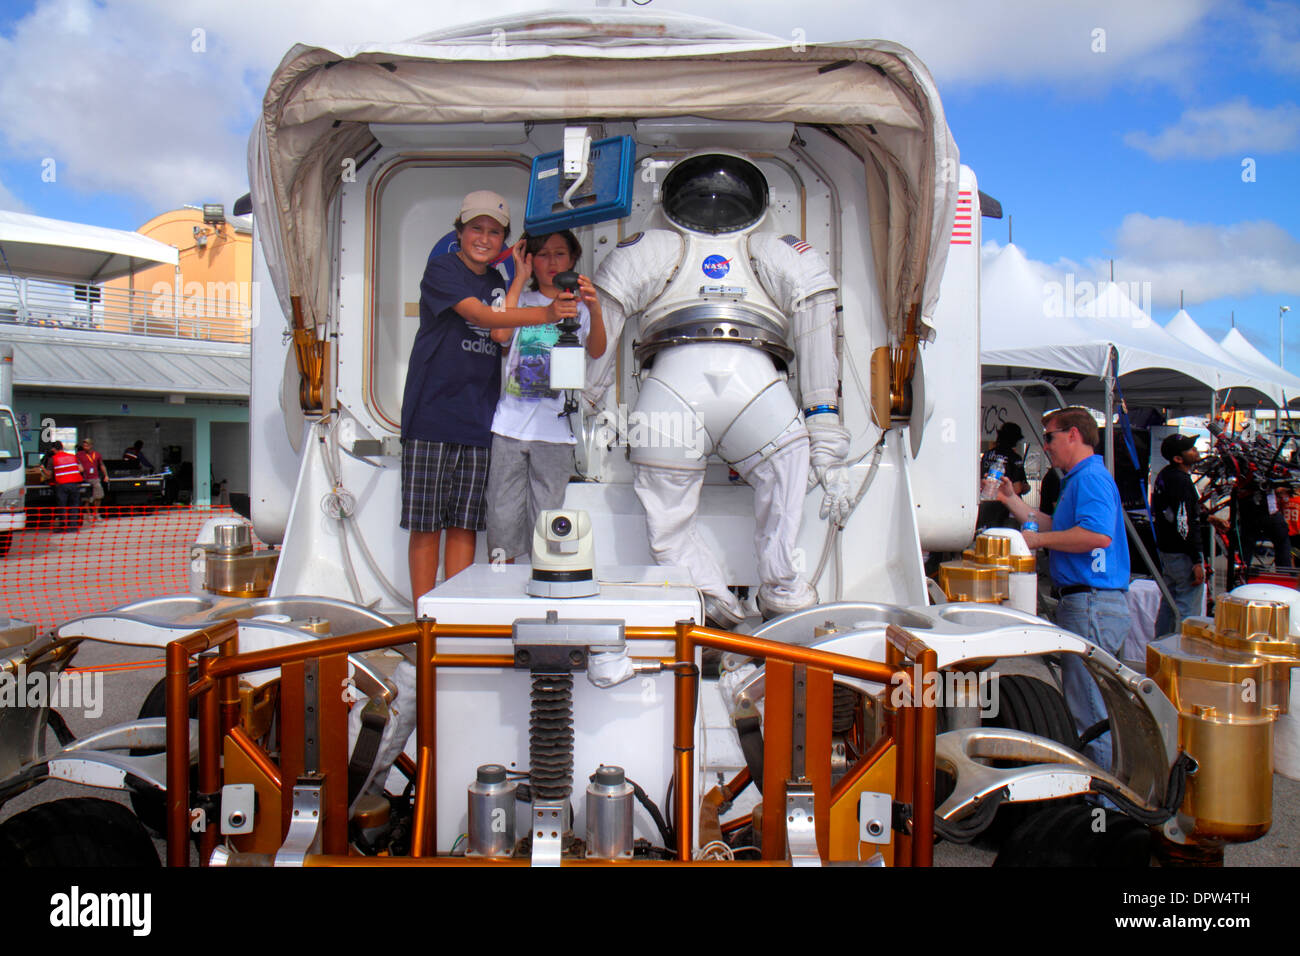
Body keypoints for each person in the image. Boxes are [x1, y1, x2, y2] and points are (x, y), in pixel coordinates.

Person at [401, 190, 578, 605]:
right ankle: (425, 620)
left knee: (465, 525)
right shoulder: (442, 270)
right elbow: (483, 318)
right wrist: (547, 314)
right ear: (459, 232)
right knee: (426, 526)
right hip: (431, 416)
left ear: (505, 242)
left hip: (481, 421)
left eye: (494, 231)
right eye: (476, 228)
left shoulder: (499, 283)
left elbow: (502, 339)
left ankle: (456, 614)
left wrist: (518, 279)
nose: (484, 237)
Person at [997, 407, 1130, 769]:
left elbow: (1096, 535)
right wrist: (1012, 500)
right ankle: (1102, 798)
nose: (1047, 446)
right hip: (1092, 602)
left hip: (1091, 603)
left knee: (1089, 708)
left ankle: (1100, 804)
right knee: (1093, 705)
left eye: (1051, 437)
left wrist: (1039, 542)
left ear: (1073, 434)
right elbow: (1057, 524)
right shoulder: (1082, 477)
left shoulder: (1089, 479)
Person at [485, 231, 606, 562]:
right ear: (529, 259)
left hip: (555, 431)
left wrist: (594, 309)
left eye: (560, 254)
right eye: (542, 255)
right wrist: (518, 280)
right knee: (501, 513)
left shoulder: (578, 308)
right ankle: (500, 583)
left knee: (548, 517)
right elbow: (500, 334)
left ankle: (543, 582)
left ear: (572, 260)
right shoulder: (520, 301)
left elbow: (597, 350)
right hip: (509, 426)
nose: (552, 262)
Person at [1151, 434, 1207, 635]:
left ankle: (1160, 647)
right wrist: (1196, 559)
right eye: (1190, 449)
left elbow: (1174, 514)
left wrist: (1207, 517)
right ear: (1178, 458)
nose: (1195, 451)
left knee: (1169, 603)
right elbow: (1183, 523)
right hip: (1182, 554)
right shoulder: (1180, 480)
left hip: (1168, 551)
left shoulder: (1165, 475)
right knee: (1187, 609)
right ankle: (1179, 652)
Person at [976, 421, 1029, 529]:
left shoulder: (987, 454)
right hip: (1008, 510)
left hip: (986, 506)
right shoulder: (1015, 458)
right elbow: (1017, 488)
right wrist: (1025, 487)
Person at [47, 441, 83, 533]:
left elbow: (48, 475)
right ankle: (73, 527)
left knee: (62, 506)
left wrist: (42, 469)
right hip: (74, 484)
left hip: (62, 485)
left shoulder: (53, 459)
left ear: (54, 449)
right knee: (74, 505)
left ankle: (63, 526)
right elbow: (81, 469)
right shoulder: (73, 456)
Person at [76, 438, 109, 522]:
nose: (85, 447)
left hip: (94, 478)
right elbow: (76, 465)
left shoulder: (97, 454)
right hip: (83, 478)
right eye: (84, 445)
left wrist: (106, 475)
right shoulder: (79, 454)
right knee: (86, 498)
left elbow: (101, 465)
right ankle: (88, 514)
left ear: (91, 446)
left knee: (98, 495)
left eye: (87, 445)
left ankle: (96, 513)